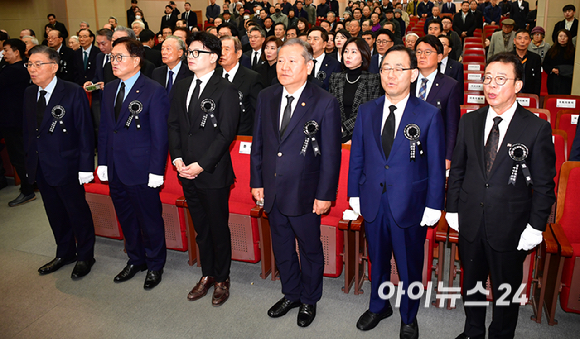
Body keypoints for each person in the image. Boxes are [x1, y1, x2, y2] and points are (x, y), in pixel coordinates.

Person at [447, 52, 556, 339]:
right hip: (470, 219)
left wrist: (536, 227)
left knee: (505, 290)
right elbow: (458, 169)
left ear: (518, 85)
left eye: (500, 79)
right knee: (472, 283)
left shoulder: (536, 127)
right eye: (487, 78)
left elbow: (544, 185)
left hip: (511, 226)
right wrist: (453, 209)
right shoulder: (470, 120)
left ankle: (501, 334)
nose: (491, 85)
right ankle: (472, 331)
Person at [348, 44, 445, 336]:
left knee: (408, 264)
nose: (391, 75)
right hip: (373, 200)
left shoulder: (428, 115)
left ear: (413, 74)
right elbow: (358, 157)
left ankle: (408, 315)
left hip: (409, 204)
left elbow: (437, 166)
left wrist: (433, 205)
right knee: (377, 259)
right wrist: (354, 194)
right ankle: (379, 306)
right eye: (386, 68)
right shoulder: (367, 111)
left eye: (399, 69)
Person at [250, 37, 341, 328]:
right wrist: (256, 181)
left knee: (310, 248)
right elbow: (260, 144)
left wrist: (325, 194)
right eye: (280, 61)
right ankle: (291, 293)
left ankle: (309, 299)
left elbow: (330, 154)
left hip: (305, 193)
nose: (284, 66)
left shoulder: (325, 102)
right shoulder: (266, 96)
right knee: (283, 245)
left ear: (309, 65)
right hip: (272, 190)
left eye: (292, 61)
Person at [168, 32, 239, 306]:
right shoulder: (182, 85)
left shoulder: (225, 89)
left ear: (213, 58)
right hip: (185, 169)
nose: (190, 56)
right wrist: (177, 158)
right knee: (201, 228)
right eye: (189, 52)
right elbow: (174, 124)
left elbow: (226, 134)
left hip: (212, 171)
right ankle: (207, 274)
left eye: (197, 52)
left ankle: (222, 278)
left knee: (218, 227)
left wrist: (201, 165)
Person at [96, 37, 169, 290]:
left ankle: (155, 263)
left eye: (119, 57)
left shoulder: (154, 90)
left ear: (136, 61)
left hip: (141, 168)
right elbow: (106, 129)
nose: (113, 62)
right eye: (111, 58)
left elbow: (160, 135)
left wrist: (156, 170)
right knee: (126, 217)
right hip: (116, 167)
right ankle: (135, 259)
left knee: (149, 219)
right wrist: (103, 162)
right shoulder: (109, 89)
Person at [23, 45, 96, 278]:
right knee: (54, 212)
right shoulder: (28, 93)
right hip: (41, 166)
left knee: (77, 212)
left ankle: (85, 255)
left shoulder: (72, 91)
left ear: (53, 67)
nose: (32, 70)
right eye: (29, 65)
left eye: (38, 65)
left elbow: (85, 131)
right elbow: (29, 132)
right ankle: (65, 252)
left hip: (67, 165)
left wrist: (86, 166)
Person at [413, 35, 461, 169]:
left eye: (427, 52)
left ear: (439, 57)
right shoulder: (407, 81)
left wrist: (448, 156)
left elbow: (452, 124)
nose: (422, 56)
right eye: (418, 51)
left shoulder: (450, 85)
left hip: (435, 149)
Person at [0, 39, 36, 207]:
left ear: (16, 52)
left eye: (6, 50)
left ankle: (27, 190)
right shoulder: (24, 68)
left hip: (12, 120)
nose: (4, 53)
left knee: (18, 156)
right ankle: (32, 184)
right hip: (22, 117)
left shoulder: (11, 71)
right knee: (26, 153)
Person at [329, 36, 381, 143]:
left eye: (354, 52)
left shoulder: (373, 79)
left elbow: (369, 112)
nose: (348, 56)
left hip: (362, 134)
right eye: (346, 51)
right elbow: (331, 108)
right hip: (336, 134)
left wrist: (344, 128)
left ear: (363, 55)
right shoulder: (335, 77)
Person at [220, 35, 263, 135]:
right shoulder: (214, 75)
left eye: (227, 49)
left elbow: (257, 113)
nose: (222, 53)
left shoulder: (252, 78)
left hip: (241, 136)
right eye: (220, 49)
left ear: (238, 53)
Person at [307, 27, 342, 91]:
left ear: (324, 44)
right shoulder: (301, 61)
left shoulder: (334, 65)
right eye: (309, 39)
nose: (311, 42)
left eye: (315, 39)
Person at [543, 29, 575, 95]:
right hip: (553, 79)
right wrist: (552, 70)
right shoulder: (551, 50)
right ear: (557, 37)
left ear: (569, 38)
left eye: (565, 36)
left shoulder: (573, 51)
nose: (562, 38)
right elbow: (545, 64)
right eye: (560, 36)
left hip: (567, 79)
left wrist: (561, 70)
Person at [513, 29, 541, 97]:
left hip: (528, 94)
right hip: (511, 94)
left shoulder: (535, 58)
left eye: (525, 38)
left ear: (529, 41)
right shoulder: (508, 57)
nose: (522, 41)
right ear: (514, 41)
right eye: (519, 38)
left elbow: (537, 81)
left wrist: (535, 97)